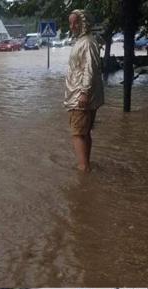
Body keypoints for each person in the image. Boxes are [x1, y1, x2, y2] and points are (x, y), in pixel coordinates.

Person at [64, 9, 103, 173]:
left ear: (84, 23)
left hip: (80, 96)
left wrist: (84, 92)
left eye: (76, 22)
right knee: (84, 132)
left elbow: (90, 68)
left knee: (78, 133)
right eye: (70, 23)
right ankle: (86, 165)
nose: (73, 26)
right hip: (80, 94)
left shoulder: (87, 42)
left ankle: (83, 169)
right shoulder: (83, 41)